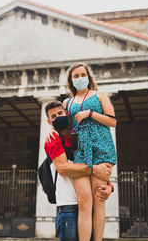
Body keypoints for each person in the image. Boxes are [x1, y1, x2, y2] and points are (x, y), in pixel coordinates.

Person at [44, 100, 113, 241]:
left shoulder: (79, 136)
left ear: (67, 114)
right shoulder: (53, 139)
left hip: (90, 204)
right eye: (53, 117)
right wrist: (94, 169)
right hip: (68, 206)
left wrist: (109, 187)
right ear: (49, 122)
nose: (58, 117)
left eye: (60, 113)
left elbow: (98, 167)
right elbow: (63, 168)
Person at [64, 62, 117, 241]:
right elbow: (63, 127)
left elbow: (112, 121)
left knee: (98, 199)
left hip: (101, 149)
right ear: (71, 81)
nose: (80, 78)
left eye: (83, 74)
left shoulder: (99, 95)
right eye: (76, 76)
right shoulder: (67, 102)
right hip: (79, 152)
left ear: (89, 77)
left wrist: (91, 113)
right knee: (84, 202)